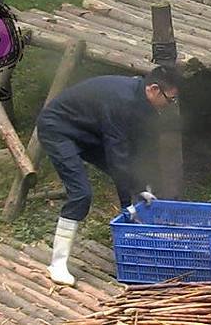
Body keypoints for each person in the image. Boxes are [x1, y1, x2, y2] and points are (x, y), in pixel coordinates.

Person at [37, 65, 181, 286]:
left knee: (126, 173)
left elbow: (137, 149)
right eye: (170, 100)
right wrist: (127, 205)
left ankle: (135, 199)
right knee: (81, 193)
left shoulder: (143, 100)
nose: (170, 105)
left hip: (88, 130)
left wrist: (141, 187)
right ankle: (57, 263)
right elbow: (117, 155)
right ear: (153, 89)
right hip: (57, 128)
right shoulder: (122, 102)